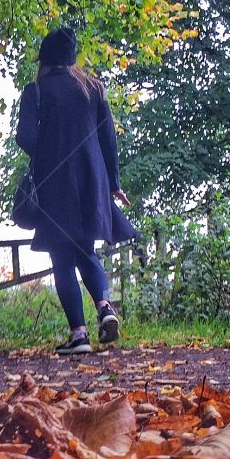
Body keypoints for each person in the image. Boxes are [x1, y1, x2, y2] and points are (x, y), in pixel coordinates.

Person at [15, 24, 137, 356]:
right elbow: (108, 140)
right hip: (92, 180)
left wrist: (47, 150)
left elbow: (25, 138)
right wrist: (113, 184)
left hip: (55, 183)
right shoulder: (94, 89)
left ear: (46, 60)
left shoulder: (36, 91)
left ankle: (79, 335)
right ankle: (105, 307)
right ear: (71, 59)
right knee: (86, 251)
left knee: (61, 257)